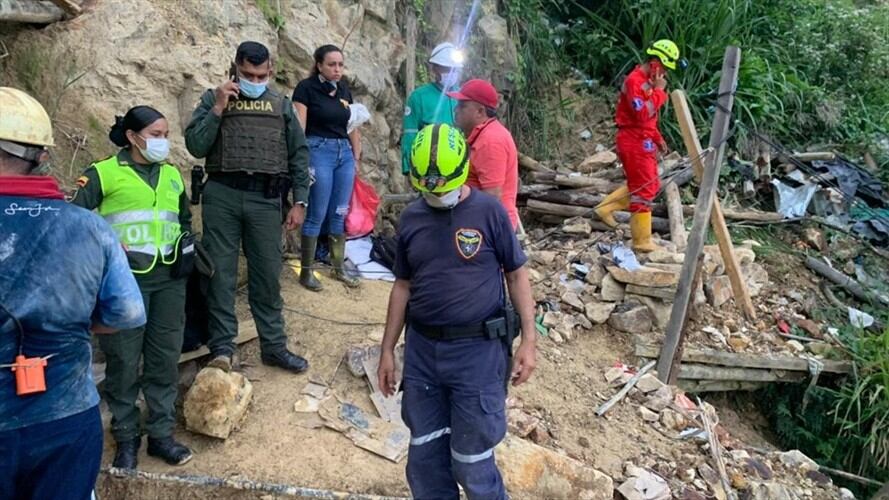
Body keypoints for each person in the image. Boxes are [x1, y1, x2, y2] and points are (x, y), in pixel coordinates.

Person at [377, 123, 538, 499]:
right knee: (425, 460)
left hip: (477, 354)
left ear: (463, 170)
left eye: (444, 188)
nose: (438, 196)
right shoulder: (412, 218)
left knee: (472, 462)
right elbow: (402, 286)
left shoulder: (488, 212)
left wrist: (529, 340)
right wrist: (387, 349)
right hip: (423, 353)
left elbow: (516, 274)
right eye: (429, 190)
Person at [0, 87, 146, 499]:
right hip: (65, 416)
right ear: (42, 156)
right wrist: (72, 321)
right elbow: (127, 313)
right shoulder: (90, 227)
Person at [71, 106, 194, 469]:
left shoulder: (172, 175)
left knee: (164, 359)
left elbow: (184, 220)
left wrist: (186, 249)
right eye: (156, 135)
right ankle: (126, 438)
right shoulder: (103, 173)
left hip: (169, 281)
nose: (162, 142)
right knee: (123, 362)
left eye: (166, 135)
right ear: (132, 136)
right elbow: (74, 222)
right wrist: (106, 245)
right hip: (123, 282)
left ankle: (161, 435)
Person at [185, 41, 311, 374]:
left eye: (260, 75)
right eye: (247, 75)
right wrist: (218, 108)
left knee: (267, 276)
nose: (254, 81)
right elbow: (196, 145)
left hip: (265, 199)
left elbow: (299, 155)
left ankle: (274, 346)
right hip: (222, 195)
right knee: (219, 276)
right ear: (235, 68)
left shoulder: (281, 105)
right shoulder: (214, 99)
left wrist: (299, 201)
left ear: (270, 70)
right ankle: (222, 349)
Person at [595, 39, 682, 253]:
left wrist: (657, 137)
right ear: (654, 62)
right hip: (633, 141)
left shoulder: (647, 82)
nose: (664, 74)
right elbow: (641, 114)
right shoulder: (635, 81)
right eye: (663, 68)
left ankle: (606, 207)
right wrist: (660, 92)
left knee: (648, 184)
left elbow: (648, 119)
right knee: (644, 189)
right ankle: (641, 240)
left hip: (643, 138)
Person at [292, 44, 361, 290]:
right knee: (317, 211)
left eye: (340, 65)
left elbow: (352, 125)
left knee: (340, 212)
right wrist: (300, 157)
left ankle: (338, 267)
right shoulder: (306, 88)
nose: (337, 69)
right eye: (332, 64)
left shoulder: (343, 90)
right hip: (318, 149)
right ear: (319, 65)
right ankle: (306, 271)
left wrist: (356, 156)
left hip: (344, 153)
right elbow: (299, 127)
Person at [449, 79, 521, 230]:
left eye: (462, 106)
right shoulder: (484, 134)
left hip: (489, 227)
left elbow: (492, 197)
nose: (456, 110)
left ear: (480, 111)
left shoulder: (490, 141)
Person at [401, 42, 464, 176]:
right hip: (427, 167)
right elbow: (410, 133)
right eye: (446, 69)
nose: (450, 73)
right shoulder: (419, 97)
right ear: (434, 68)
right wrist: (409, 168)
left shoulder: (463, 96)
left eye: (454, 69)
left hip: (457, 166)